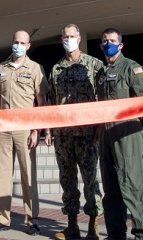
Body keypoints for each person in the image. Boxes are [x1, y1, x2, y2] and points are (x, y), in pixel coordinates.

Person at [0, 30, 48, 236]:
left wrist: (37, 130)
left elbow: (41, 101)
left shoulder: (35, 68)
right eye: (16, 42)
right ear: (11, 43)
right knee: (4, 175)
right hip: (4, 128)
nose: (18, 45)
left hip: (25, 129)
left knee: (28, 176)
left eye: (22, 42)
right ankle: (3, 218)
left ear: (28, 46)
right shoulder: (2, 68)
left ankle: (32, 220)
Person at [96, 27, 143, 240]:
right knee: (111, 190)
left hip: (126, 133)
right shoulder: (101, 73)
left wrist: (134, 127)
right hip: (106, 135)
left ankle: (142, 235)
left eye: (112, 40)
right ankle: (115, 233)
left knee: (132, 185)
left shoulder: (132, 67)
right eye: (104, 41)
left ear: (120, 45)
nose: (108, 43)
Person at [48, 24, 104, 240]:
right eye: (65, 36)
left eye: (72, 36)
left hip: (88, 134)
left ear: (79, 38)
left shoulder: (94, 65)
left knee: (91, 179)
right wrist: (49, 130)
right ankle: (72, 225)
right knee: (67, 179)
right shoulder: (56, 68)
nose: (68, 39)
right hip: (63, 135)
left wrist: (100, 126)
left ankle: (93, 226)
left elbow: (102, 99)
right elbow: (52, 102)